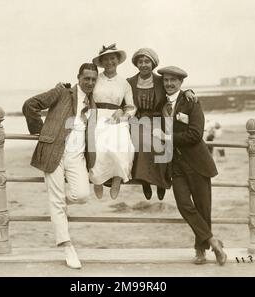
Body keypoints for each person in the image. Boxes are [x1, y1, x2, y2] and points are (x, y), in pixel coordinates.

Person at [22, 63, 98, 269]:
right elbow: (30, 105)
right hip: (53, 152)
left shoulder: (94, 102)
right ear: (78, 77)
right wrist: (42, 133)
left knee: (81, 195)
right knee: (56, 201)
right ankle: (67, 247)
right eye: (86, 78)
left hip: (77, 156)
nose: (90, 82)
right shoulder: (62, 92)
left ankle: (59, 208)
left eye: (93, 79)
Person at [153, 66, 227, 265]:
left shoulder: (191, 101)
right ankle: (213, 240)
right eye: (166, 80)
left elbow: (195, 135)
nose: (169, 84)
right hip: (175, 165)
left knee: (203, 208)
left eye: (173, 80)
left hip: (197, 163)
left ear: (181, 83)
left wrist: (167, 138)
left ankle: (200, 250)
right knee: (184, 205)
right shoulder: (160, 104)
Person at [127, 48, 197, 200]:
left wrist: (188, 92)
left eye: (147, 61)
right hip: (138, 119)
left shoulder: (160, 80)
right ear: (136, 64)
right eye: (140, 62)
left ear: (152, 64)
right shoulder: (130, 82)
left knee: (161, 142)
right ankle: (145, 181)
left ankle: (160, 182)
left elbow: (174, 89)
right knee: (139, 141)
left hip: (158, 118)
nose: (144, 65)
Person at [90, 44, 136, 199]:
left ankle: (117, 180)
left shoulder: (124, 83)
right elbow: (83, 94)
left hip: (116, 118)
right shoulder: (95, 79)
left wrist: (123, 112)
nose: (109, 62)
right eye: (106, 59)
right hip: (96, 116)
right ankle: (97, 181)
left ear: (117, 60)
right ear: (101, 62)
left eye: (112, 58)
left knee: (123, 145)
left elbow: (131, 106)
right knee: (99, 146)